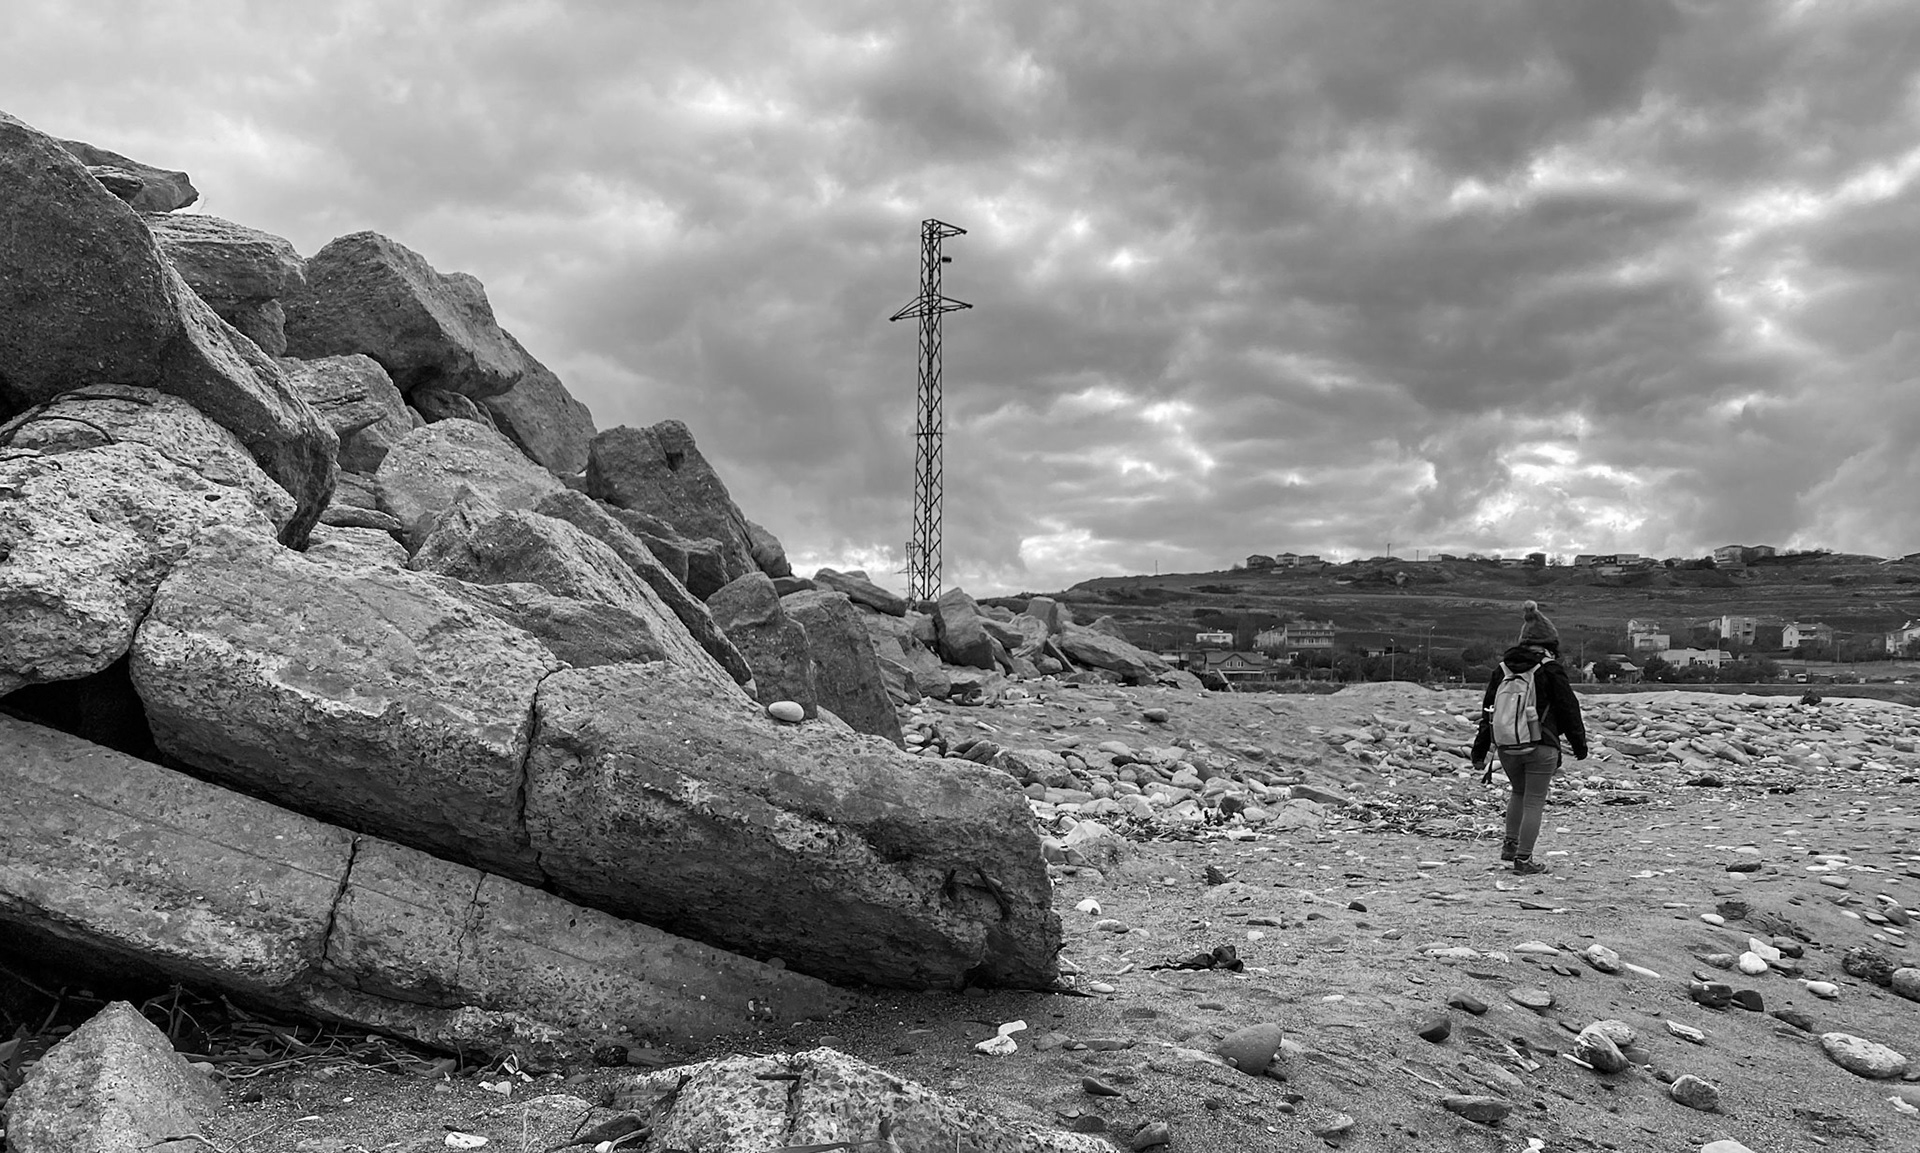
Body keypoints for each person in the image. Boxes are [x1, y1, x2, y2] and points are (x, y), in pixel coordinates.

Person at [1470, 600, 1588, 875]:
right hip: (1540, 744)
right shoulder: (1549, 668)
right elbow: (1569, 708)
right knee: (1535, 800)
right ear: (1550, 641)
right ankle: (1524, 860)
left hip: (1507, 746)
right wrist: (1579, 744)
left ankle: (1510, 845)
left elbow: (1488, 711)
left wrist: (1479, 752)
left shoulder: (1503, 669)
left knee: (1518, 792)